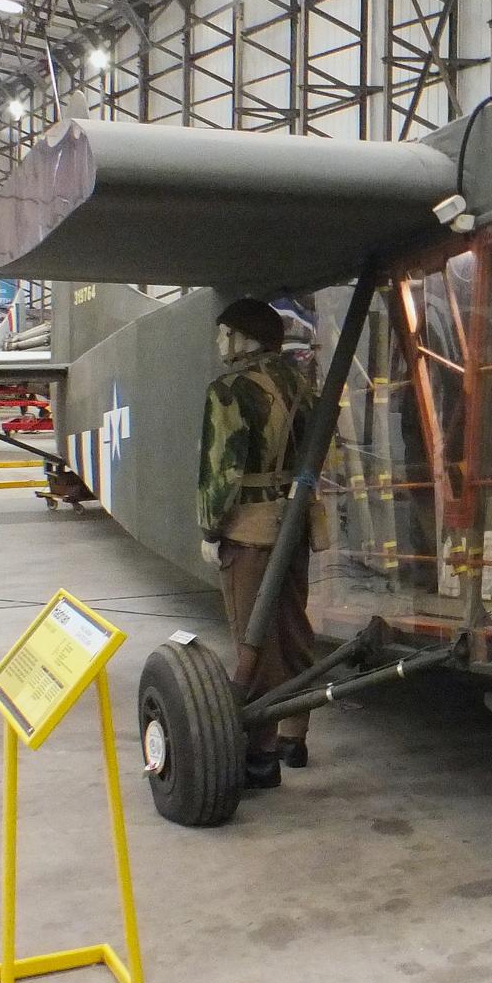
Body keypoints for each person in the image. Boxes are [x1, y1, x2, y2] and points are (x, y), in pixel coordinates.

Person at [197, 297, 318, 789]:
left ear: (239, 337)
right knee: (292, 625)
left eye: (224, 333)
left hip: (247, 527)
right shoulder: (300, 382)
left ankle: (261, 755)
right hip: (295, 522)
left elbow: (221, 469)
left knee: (253, 634)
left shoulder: (228, 390)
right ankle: (296, 734)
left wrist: (209, 528)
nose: (219, 343)